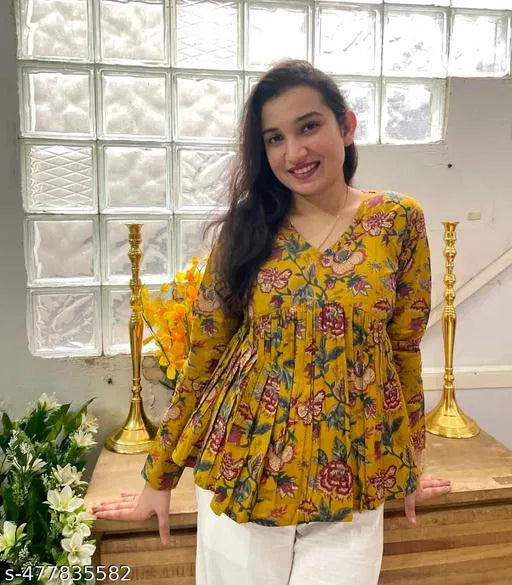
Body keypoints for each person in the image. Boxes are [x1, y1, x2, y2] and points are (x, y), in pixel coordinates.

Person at [92, 59, 451, 585]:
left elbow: (403, 349)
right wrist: (159, 477)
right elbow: (205, 356)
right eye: (275, 138)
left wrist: (409, 459)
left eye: (309, 126)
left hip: (352, 473)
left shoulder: (397, 221)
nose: (294, 152)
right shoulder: (247, 227)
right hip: (244, 466)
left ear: (346, 126)